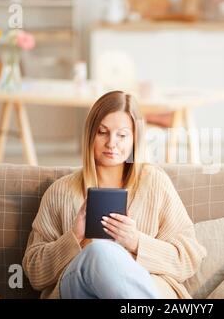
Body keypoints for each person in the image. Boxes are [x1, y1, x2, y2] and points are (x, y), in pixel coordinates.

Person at [22, 91, 206, 299]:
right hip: (77, 288)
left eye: (122, 135)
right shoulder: (60, 192)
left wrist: (137, 242)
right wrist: (74, 237)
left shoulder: (155, 183)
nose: (111, 143)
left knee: (103, 253)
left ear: (135, 139)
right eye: (102, 132)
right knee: (99, 252)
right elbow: (34, 272)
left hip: (145, 287)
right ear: (91, 134)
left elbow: (189, 258)